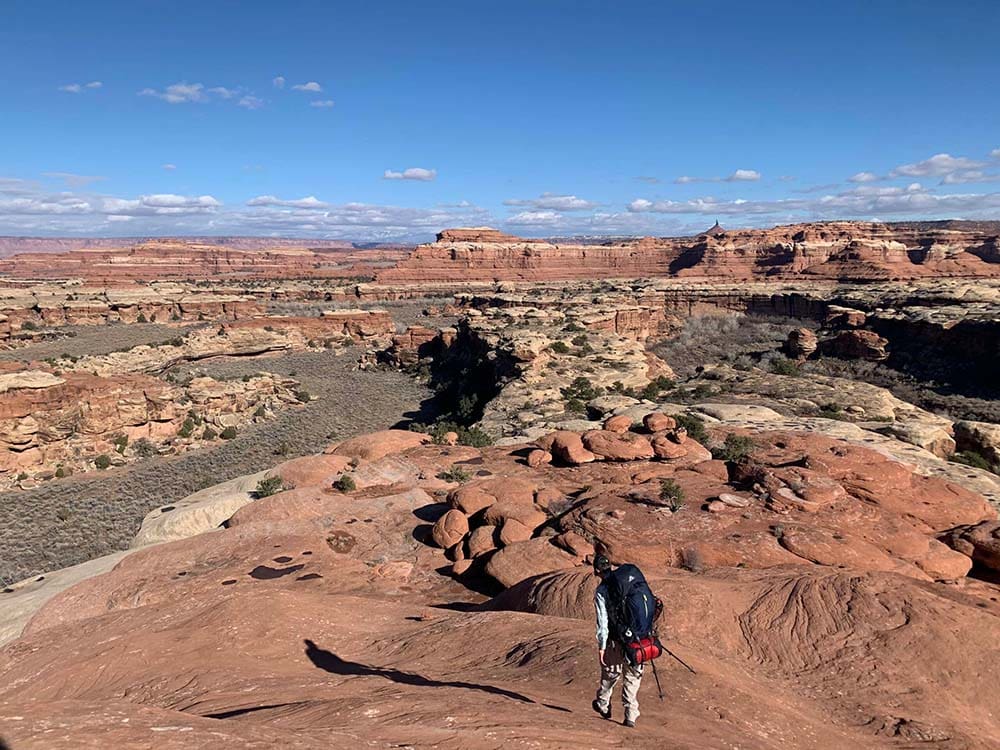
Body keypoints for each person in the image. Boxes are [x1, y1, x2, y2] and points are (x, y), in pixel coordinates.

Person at [591, 554, 644, 728]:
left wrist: (602, 646)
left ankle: (603, 704)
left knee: (610, 673)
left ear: (597, 571)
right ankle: (630, 715)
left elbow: (603, 621)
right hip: (638, 638)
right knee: (632, 677)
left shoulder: (602, 591)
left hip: (615, 639)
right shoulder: (628, 582)